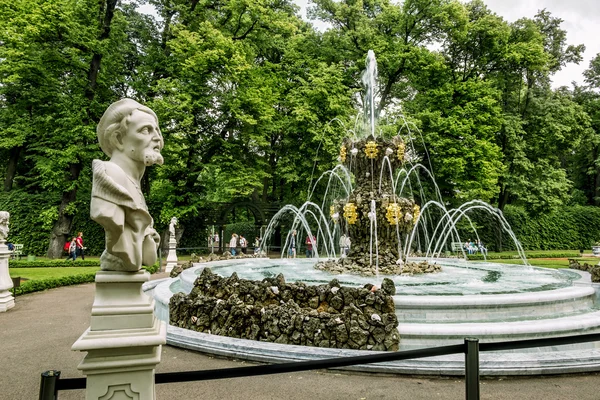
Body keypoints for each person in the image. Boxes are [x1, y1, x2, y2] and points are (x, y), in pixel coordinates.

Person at [91, 98, 164, 272]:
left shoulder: (133, 184)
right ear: (118, 139)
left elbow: (148, 257)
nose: (157, 138)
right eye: (145, 130)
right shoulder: (111, 176)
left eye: (156, 130)